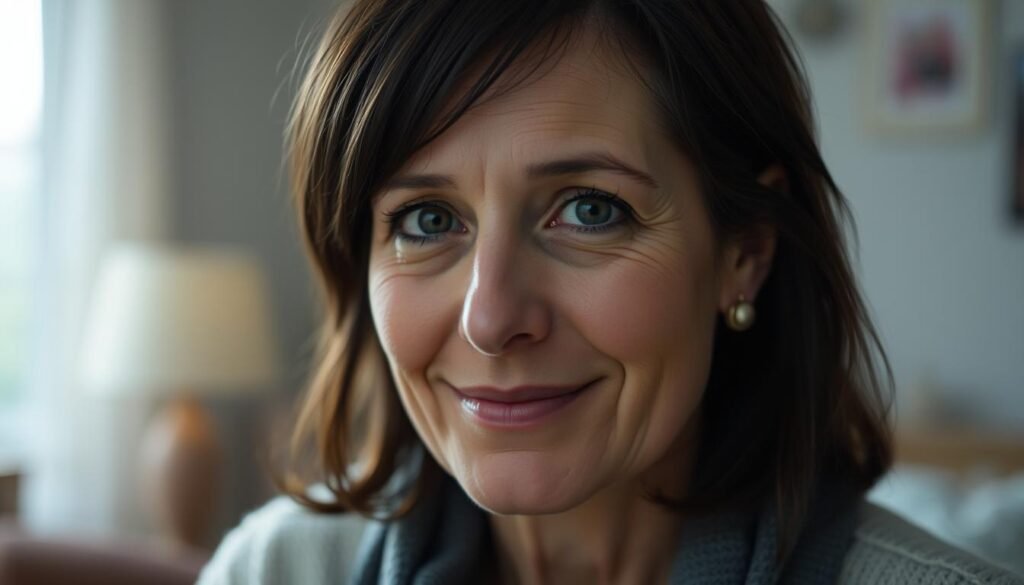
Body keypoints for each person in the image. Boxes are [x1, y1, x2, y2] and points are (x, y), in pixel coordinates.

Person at [198, 0, 1024, 583]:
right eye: (424, 219)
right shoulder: (273, 571)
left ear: (743, 253)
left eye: (589, 210)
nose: (490, 317)